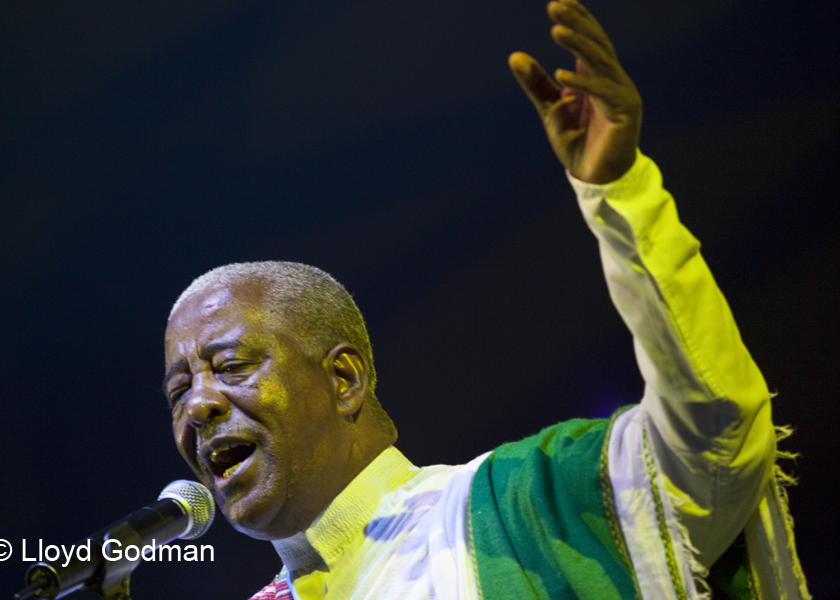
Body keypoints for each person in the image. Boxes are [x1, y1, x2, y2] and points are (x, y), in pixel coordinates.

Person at [162, 1, 809, 598]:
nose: (199, 404)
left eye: (231, 365)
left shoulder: (525, 506)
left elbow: (719, 439)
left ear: (344, 378)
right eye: (178, 390)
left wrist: (622, 195)